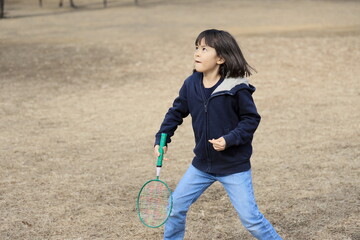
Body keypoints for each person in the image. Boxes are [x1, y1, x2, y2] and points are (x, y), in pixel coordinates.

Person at [154, 29, 282, 240]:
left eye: (204, 49)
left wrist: (229, 139)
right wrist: (162, 138)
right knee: (174, 209)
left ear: (221, 58)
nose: (197, 53)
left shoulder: (236, 87)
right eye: (196, 48)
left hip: (233, 167)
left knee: (251, 219)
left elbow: (251, 120)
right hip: (201, 166)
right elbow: (176, 112)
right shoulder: (191, 84)